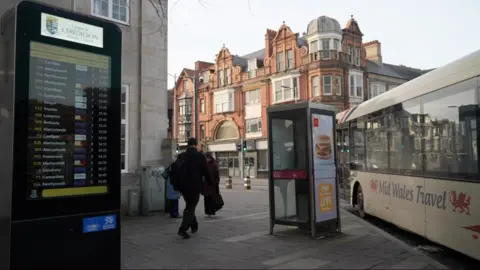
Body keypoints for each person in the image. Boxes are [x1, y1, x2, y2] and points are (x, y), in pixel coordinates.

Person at [176, 137, 213, 239]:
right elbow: (206, 171)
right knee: (190, 207)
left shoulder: (181, 156)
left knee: (189, 204)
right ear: (196, 145)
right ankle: (183, 229)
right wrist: (211, 183)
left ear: (188, 145)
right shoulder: (200, 156)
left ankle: (194, 226)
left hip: (183, 186)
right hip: (194, 185)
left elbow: (175, 170)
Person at [203, 152, 220, 217]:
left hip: (212, 185)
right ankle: (207, 212)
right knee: (206, 199)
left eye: (206, 158)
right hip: (206, 185)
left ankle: (211, 212)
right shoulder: (205, 164)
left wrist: (216, 183)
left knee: (211, 199)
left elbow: (217, 175)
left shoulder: (213, 164)